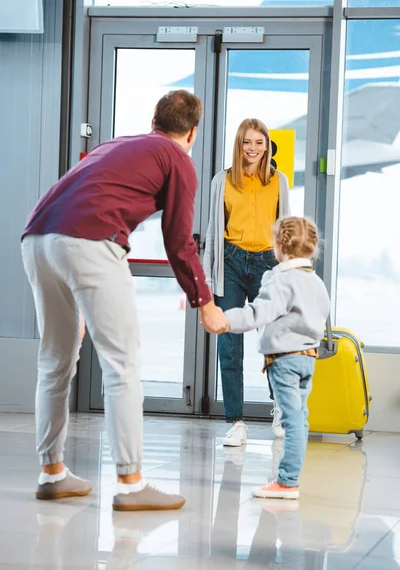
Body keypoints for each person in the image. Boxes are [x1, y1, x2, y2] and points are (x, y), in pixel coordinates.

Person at [21, 89, 229, 511]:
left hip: (37, 237)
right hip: (89, 240)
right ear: (191, 132)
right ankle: (131, 483)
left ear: (155, 121)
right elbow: (179, 241)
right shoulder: (177, 160)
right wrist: (204, 301)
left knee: (54, 360)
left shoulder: (116, 145)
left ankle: (52, 473)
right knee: (122, 365)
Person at [223, 216, 330, 499]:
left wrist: (225, 320)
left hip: (284, 361)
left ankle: (287, 481)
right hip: (308, 358)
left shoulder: (282, 280)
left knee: (292, 421)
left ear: (280, 248)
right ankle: (289, 478)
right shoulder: (316, 282)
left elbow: (257, 314)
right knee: (299, 419)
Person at [203, 118, 290, 447]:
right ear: (239, 145)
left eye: (259, 142)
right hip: (232, 263)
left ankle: (280, 407)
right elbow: (214, 231)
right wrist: (209, 275)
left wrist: (288, 269)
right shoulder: (221, 181)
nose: (253, 148)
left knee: (274, 339)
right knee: (229, 344)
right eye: (246, 142)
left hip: (269, 263)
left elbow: (285, 228)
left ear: (267, 145)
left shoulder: (278, 181)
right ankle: (236, 421)